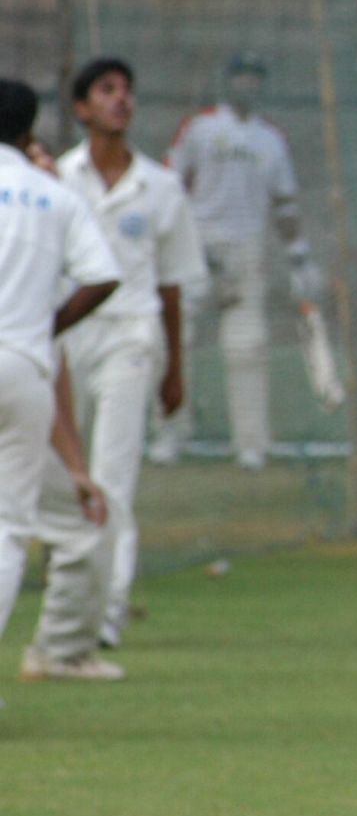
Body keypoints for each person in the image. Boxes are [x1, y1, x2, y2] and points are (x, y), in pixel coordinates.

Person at [21, 60, 206, 674]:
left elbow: (175, 285)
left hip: (131, 334)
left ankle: (103, 615)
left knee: (113, 478)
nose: (121, 100)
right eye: (106, 91)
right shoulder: (57, 177)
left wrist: (175, 368)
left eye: (127, 90)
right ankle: (71, 600)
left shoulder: (160, 185)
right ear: (80, 108)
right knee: (62, 473)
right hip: (64, 336)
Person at [153, 52, 322, 469]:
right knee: (178, 341)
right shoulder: (201, 127)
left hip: (248, 250)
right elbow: (170, 182)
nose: (247, 86)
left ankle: (251, 444)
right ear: (227, 82)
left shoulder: (271, 139)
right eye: (240, 77)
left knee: (247, 347)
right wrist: (174, 241)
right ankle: (171, 435)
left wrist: (299, 256)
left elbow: (284, 206)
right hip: (197, 246)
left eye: (255, 78)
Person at [0, 78, 122, 654]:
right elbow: (103, 275)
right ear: (28, 133)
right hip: (22, 367)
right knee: (6, 532)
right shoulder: (54, 194)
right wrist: (44, 327)